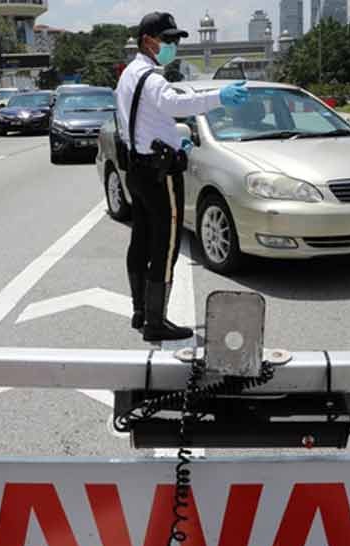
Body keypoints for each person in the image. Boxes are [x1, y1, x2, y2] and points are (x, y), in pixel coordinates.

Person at [117, 11, 249, 343]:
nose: (174, 46)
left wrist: (176, 141)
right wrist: (220, 96)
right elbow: (176, 105)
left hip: (137, 168)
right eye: (170, 40)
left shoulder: (128, 76)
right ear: (149, 40)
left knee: (142, 239)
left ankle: (140, 311)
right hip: (161, 176)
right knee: (167, 244)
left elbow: (143, 120)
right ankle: (156, 322)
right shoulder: (154, 79)